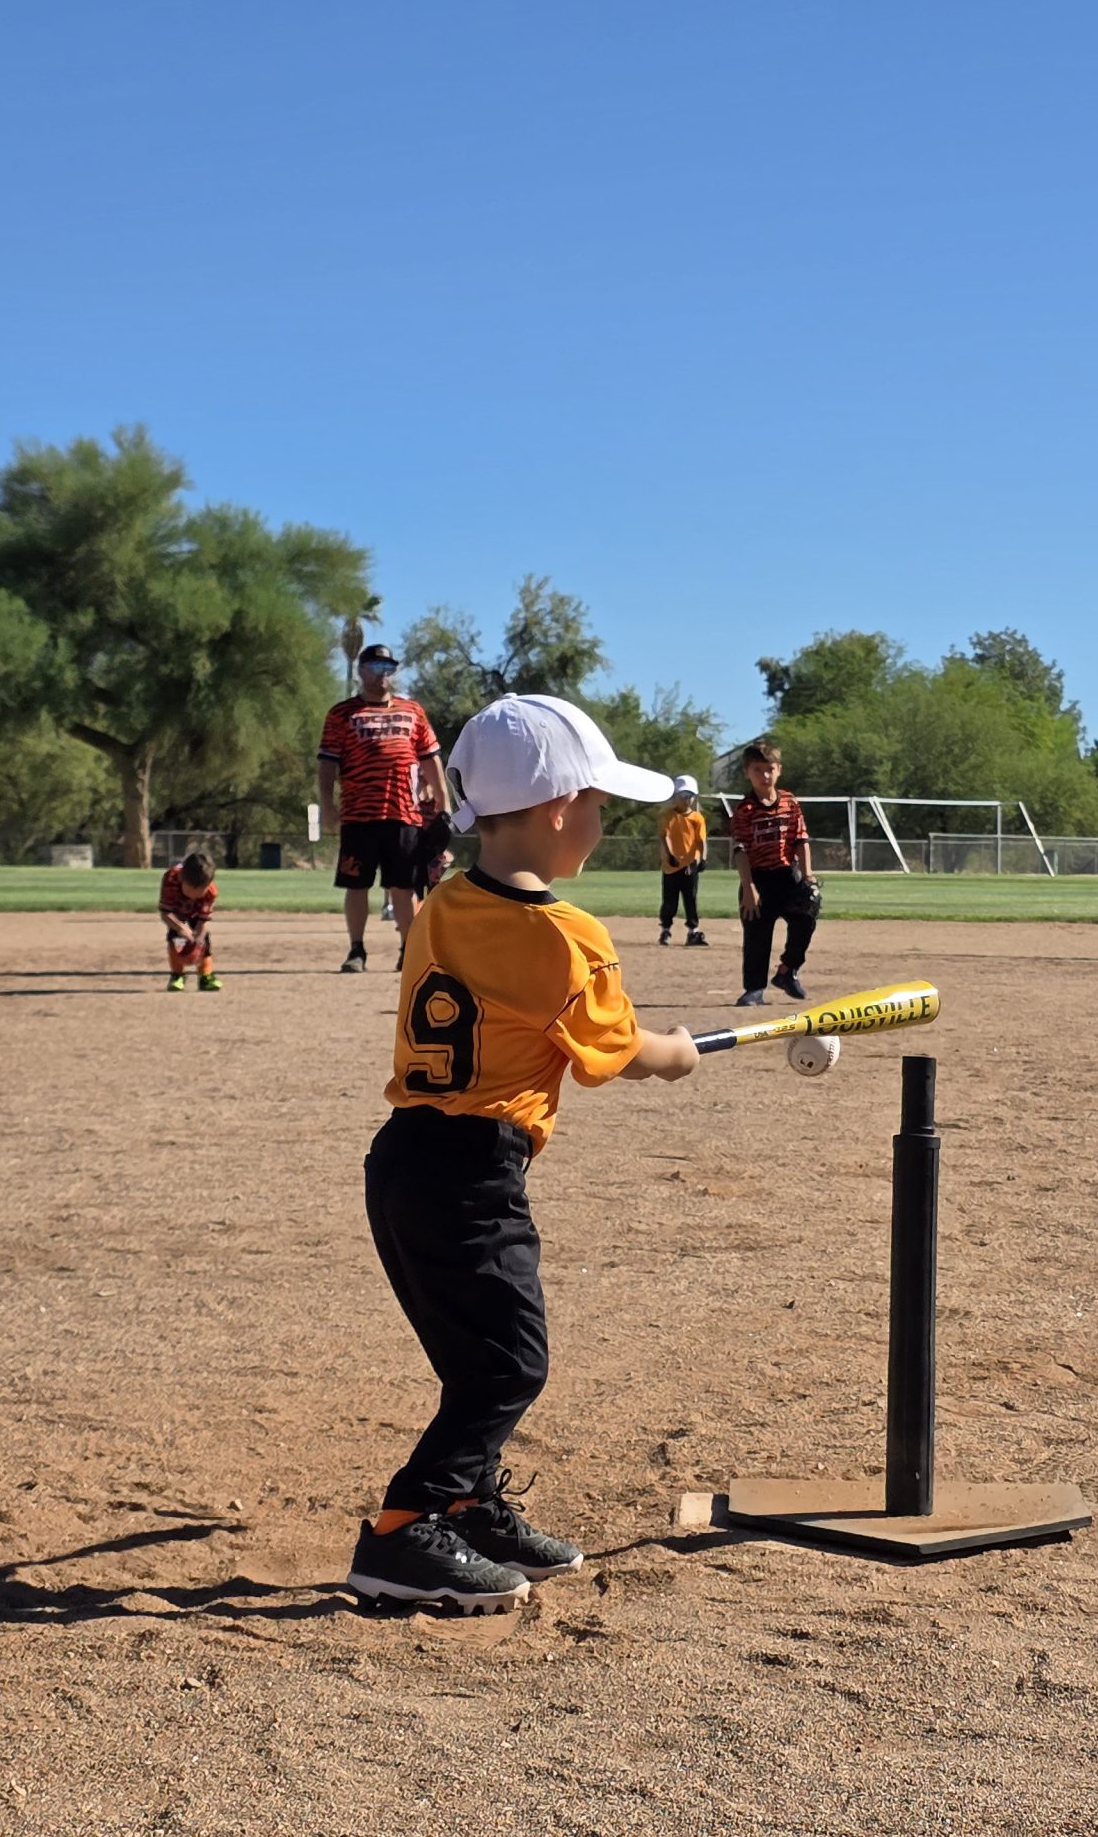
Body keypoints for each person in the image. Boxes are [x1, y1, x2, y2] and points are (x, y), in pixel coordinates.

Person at [347, 694, 699, 1613]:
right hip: (472, 1172)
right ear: (554, 808)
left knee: (478, 1361)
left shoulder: (442, 904)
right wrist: (680, 1050)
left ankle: (465, 1506)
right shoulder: (567, 935)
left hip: (404, 1162)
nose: (598, 822)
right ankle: (402, 1532)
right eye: (595, 805)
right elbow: (621, 1061)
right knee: (510, 1364)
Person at [318, 643, 445, 974]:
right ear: (361, 671)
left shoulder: (412, 711)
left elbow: (431, 759)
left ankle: (409, 949)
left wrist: (443, 804)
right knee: (356, 885)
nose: (382, 676)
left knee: (403, 887)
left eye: (388, 669)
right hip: (359, 815)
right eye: (375, 668)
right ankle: (356, 950)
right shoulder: (342, 714)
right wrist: (327, 805)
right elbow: (328, 765)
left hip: (404, 815)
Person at [728, 739, 818, 1006]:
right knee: (757, 933)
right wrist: (748, 888)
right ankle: (754, 988)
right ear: (747, 772)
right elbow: (741, 850)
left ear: (779, 769)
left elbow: (801, 839)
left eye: (770, 769)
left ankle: (787, 970)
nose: (764, 775)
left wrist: (808, 875)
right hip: (758, 878)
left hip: (787, 875)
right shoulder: (745, 810)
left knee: (806, 918)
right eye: (757, 769)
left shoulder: (790, 802)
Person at [658, 775, 710, 947]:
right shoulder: (668, 815)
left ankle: (692, 931)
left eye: (689, 796)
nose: (686, 800)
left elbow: (701, 840)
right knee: (669, 901)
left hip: (689, 865)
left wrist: (703, 858)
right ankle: (665, 929)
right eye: (683, 796)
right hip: (671, 866)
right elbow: (665, 836)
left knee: (690, 898)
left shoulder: (697, 818)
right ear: (675, 797)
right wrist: (670, 855)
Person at [158, 850, 221, 992]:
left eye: (201, 890)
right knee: (175, 939)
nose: (196, 895)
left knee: (204, 941)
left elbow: (202, 920)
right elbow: (165, 913)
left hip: (195, 913)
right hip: (176, 913)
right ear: (182, 879)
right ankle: (177, 975)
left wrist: (197, 940)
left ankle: (206, 976)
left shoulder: (211, 891)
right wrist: (181, 929)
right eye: (192, 890)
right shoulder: (171, 879)